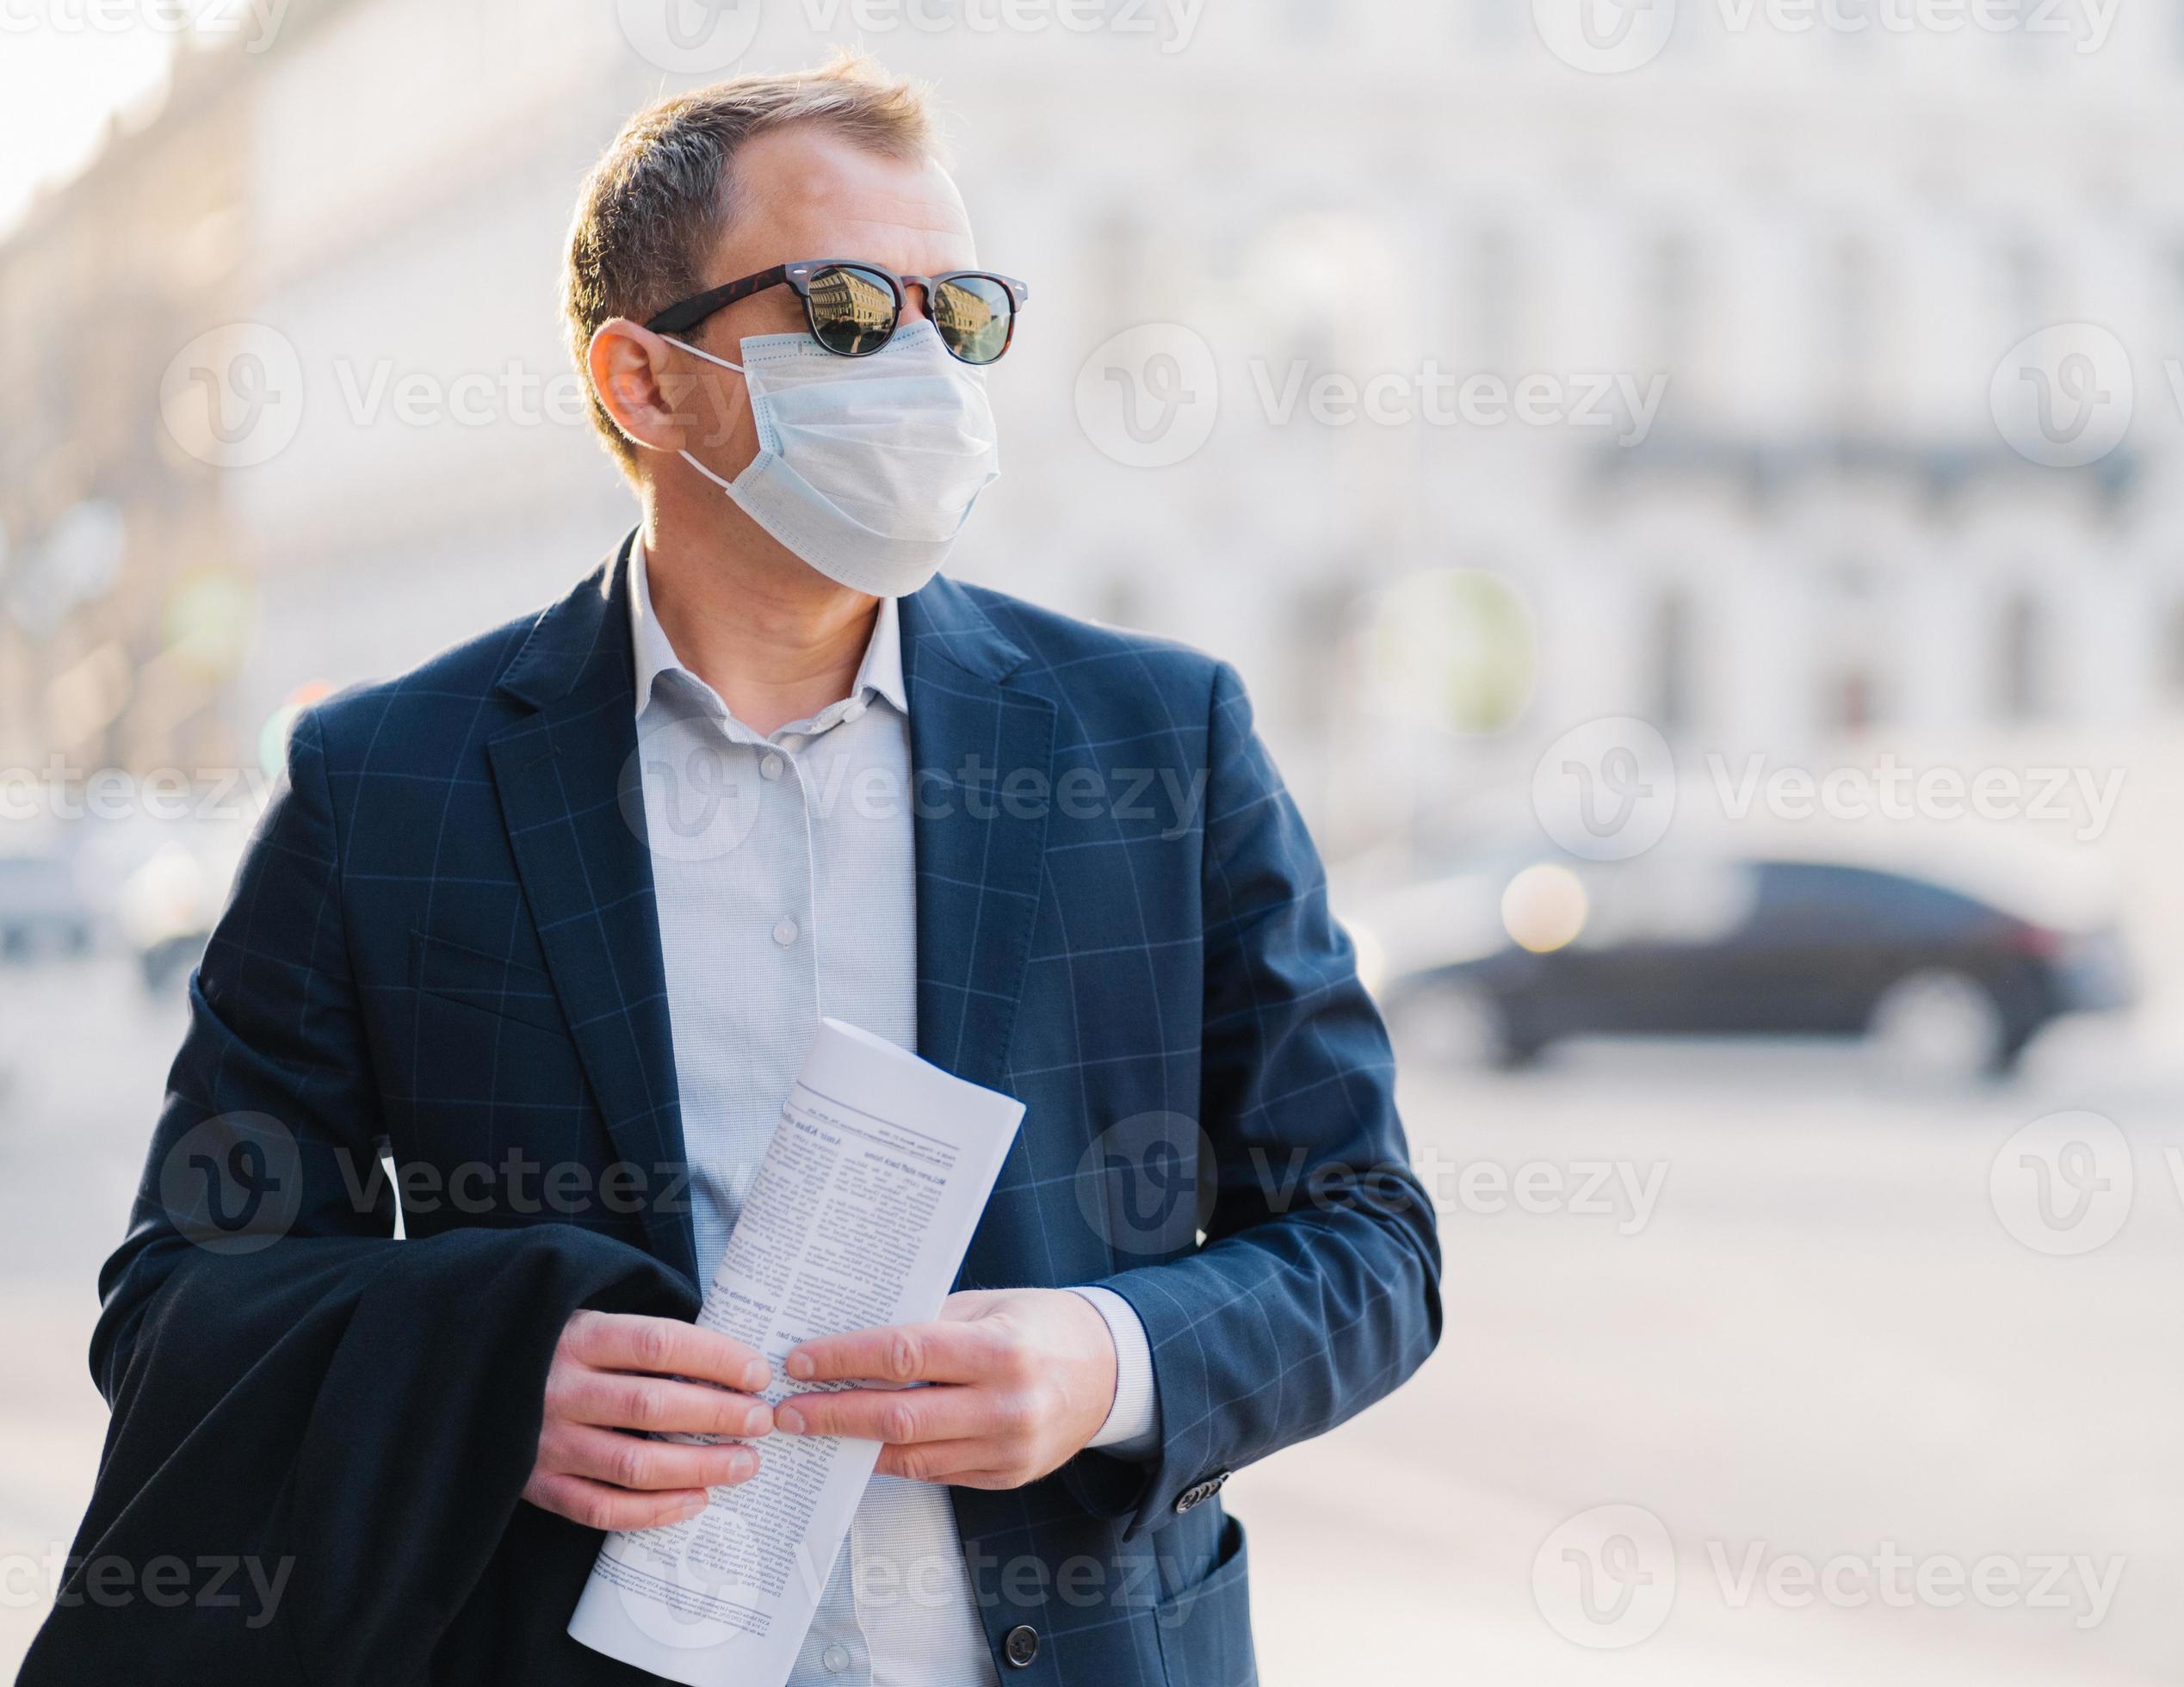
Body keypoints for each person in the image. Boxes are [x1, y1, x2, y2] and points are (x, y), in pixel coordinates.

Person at [32, 53, 1438, 1687]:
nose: (921, 366)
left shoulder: (1156, 741)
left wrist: (1111, 1357)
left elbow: (1368, 1236)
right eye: (847, 310)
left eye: (958, 315)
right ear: (644, 381)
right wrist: (492, 1382)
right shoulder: (386, 789)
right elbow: (182, 1297)